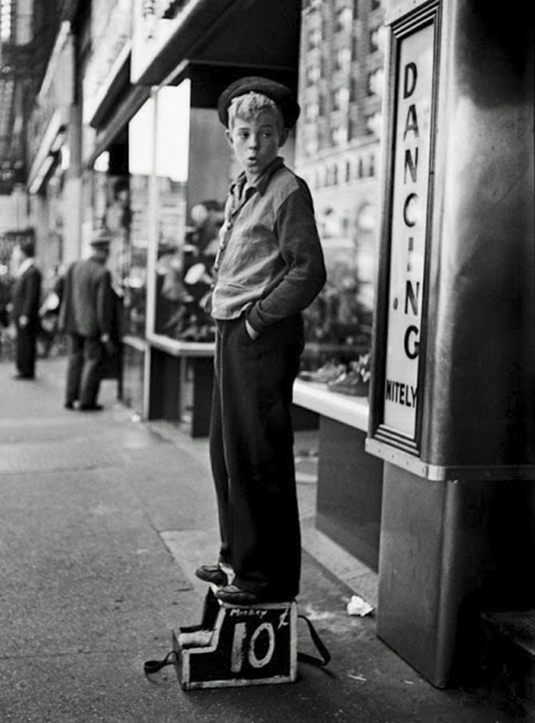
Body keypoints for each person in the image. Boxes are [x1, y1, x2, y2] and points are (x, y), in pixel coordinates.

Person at [195, 77, 327, 606]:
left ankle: (264, 577)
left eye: (266, 133)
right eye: (245, 133)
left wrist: (256, 319)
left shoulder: (287, 190)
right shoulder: (241, 191)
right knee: (225, 451)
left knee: (258, 456)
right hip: (234, 332)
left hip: (260, 336)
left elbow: (308, 271)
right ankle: (236, 557)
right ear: (230, 135)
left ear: (282, 137)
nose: (254, 143)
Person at [58, 229, 116, 411]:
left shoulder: (75, 266)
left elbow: (66, 296)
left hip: (73, 321)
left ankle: (70, 397)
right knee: (92, 361)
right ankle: (86, 400)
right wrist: (106, 332)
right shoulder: (102, 273)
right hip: (92, 326)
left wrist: (64, 319)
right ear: (104, 252)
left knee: (74, 359)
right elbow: (102, 307)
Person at [10, 238, 42, 379]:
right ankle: (22, 368)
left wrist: (25, 314)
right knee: (22, 341)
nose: (15, 254)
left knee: (26, 342)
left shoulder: (32, 271)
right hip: (21, 313)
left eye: (17, 251)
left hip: (25, 314)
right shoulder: (24, 270)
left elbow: (31, 295)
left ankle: (26, 370)